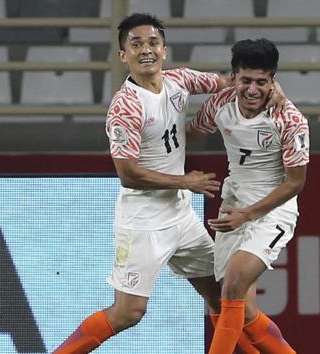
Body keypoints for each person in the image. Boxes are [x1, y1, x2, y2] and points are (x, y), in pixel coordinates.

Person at [53, 13, 283, 354]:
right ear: (123, 56)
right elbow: (128, 174)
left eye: (152, 43)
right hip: (143, 222)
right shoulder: (125, 107)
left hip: (181, 217)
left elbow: (233, 83)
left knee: (226, 298)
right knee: (128, 313)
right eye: (136, 44)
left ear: (164, 50)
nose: (146, 50)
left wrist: (274, 88)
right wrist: (184, 181)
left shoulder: (180, 82)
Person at [191, 38, 309, 354]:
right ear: (234, 78)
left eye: (261, 82)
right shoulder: (219, 104)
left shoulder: (290, 119)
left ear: (273, 80)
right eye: (245, 81)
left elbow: (296, 183)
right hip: (235, 205)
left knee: (232, 287)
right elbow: (191, 132)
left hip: (274, 211)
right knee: (241, 310)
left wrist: (250, 214)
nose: (252, 90)